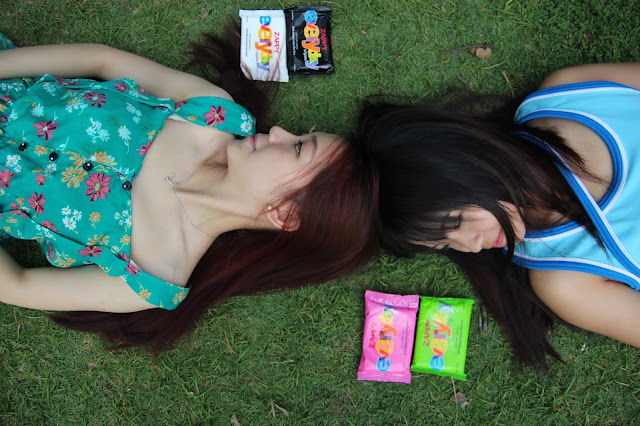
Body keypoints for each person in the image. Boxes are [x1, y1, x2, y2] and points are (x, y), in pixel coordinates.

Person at [0, 28, 378, 350]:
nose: (279, 131)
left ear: (285, 213)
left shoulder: (152, 276)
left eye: (297, 147)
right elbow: (101, 61)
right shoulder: (210, 113)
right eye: (300, 135)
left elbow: (20, 284)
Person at [355, 63, 640, 369]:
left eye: (454, 222)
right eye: (446, 244)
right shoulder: (565, 283)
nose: (472, 246)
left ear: (468, 163)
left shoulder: (568, 93)